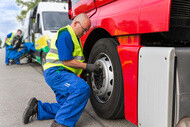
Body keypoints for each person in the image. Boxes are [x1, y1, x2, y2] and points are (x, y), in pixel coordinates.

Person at [23, 13, 100, 127]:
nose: (84, 33)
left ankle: (38, 109)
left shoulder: (74, 37)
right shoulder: (66, 35)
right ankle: (61, 123)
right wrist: (88, 66)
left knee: (67, 106)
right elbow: (67, 61)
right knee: (82, 89)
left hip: (59, 73)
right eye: (84, 30)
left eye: (86, 31)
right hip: (57, 72)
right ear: (75, 23)